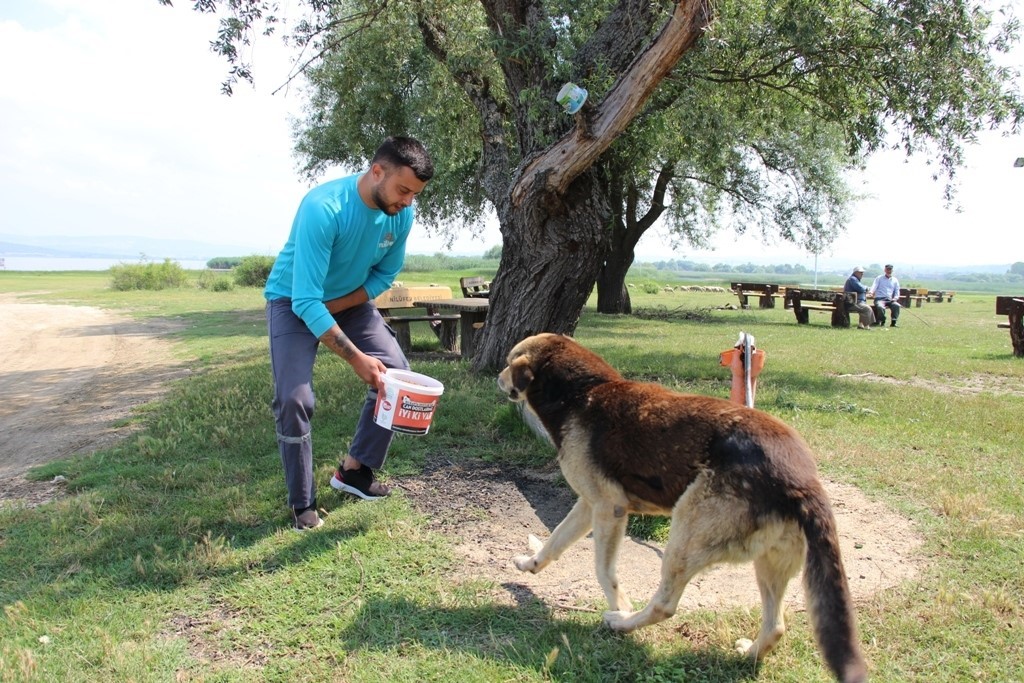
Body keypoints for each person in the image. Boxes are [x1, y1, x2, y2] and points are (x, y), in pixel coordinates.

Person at [264, 136, 435, 530]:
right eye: (403, 190)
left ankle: (355, 472)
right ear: (377, 171)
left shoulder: (400, 215)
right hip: (292, 302)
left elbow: (384, 275)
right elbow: (305, 301)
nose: (408, 201)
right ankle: (301, 503)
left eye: (415, 194)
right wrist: (356, 358)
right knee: (294, 399)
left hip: (349, 303)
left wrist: (340, 309)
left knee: (394, 373)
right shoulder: (323, 208)